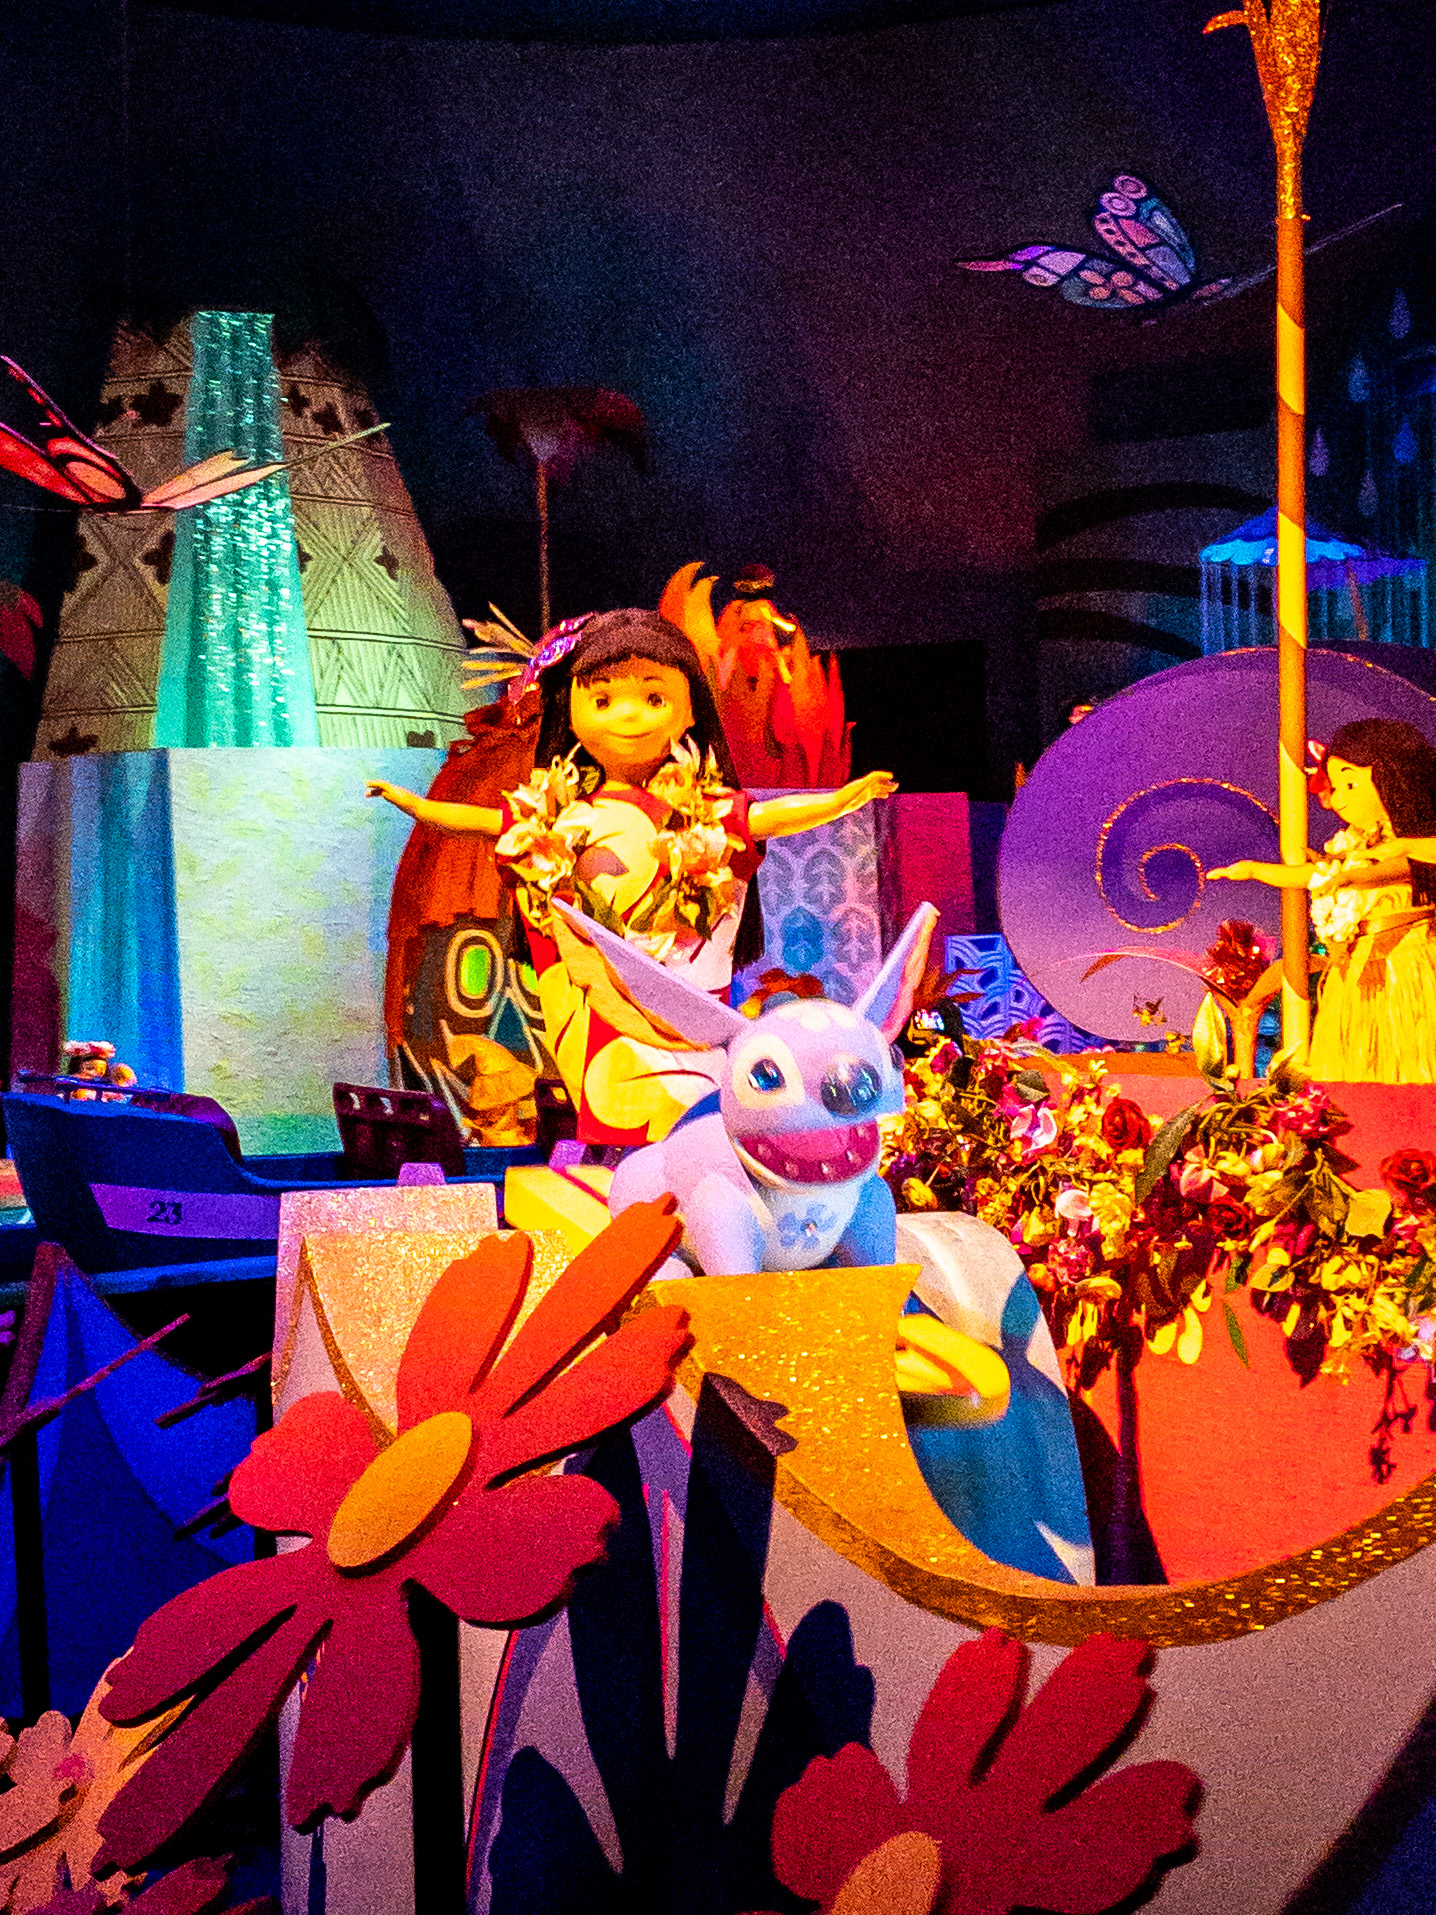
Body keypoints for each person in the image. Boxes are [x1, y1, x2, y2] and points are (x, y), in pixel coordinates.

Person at [368, 607, 896, 1142]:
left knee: (692, 1114)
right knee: (619, 1106)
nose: (628, 715)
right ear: (572, 713)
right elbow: (484, 822)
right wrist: (416, 806)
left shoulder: (702, 815)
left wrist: (843, 799)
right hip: (602, 1009)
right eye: (603, 700)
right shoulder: (562, 817)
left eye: (653, 698)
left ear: (689, 712)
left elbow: (766, 817)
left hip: (690, 1006)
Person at [1208, 719, 1436, 1081]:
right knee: (1354, 1055)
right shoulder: (1355, 844)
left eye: (1351, 784)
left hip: (1405, 960)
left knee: (1407, 1052)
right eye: (1335, 786)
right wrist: (1254, 870)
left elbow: (1395, 869)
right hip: (1357, 966)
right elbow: (1316, 875)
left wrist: (1352, 877)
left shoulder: (1416, 846)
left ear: (1395, 778)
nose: (1339, 800)